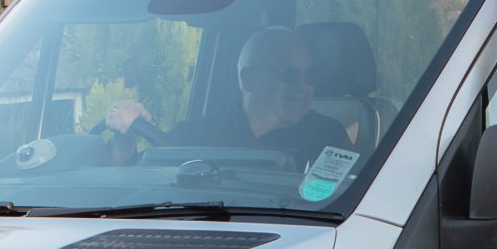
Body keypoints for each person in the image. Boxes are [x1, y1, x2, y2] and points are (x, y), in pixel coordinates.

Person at [104, 26, 348, 165]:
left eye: (310, 76)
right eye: (289, 74)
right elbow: (125, 192)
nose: (303, 86)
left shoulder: (329, 138)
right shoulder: (195, 135)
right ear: (248, 79)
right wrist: (124, 143)